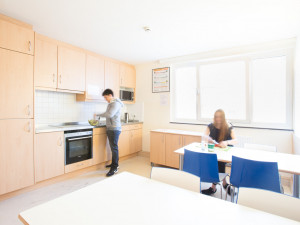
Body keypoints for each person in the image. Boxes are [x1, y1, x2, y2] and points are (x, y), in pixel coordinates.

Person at [201, 109, 237, 196]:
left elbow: (235, 140)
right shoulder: (211, 126)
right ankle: (224, 184)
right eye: (216, 117)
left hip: (226, 151)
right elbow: (204, 136)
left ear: (223, 117)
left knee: (218, 162)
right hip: (215, 150)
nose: (218, 119)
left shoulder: (228, 126)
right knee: (214, 160)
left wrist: (227, 142)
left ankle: (215, 186)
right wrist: (207, 139)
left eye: (220, 117)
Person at [97, 89, 124, 177]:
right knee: (113, 148)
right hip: (111, 128)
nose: (105, 99)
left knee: (114, 148)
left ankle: (114, 167)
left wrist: (98, 115)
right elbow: (107, 113)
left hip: (114, 128)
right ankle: (114, 164)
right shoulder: (111, 103)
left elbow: (109, 114)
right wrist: (99, 114)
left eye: (106, 97)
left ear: (110, 95)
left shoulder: (115, 103)